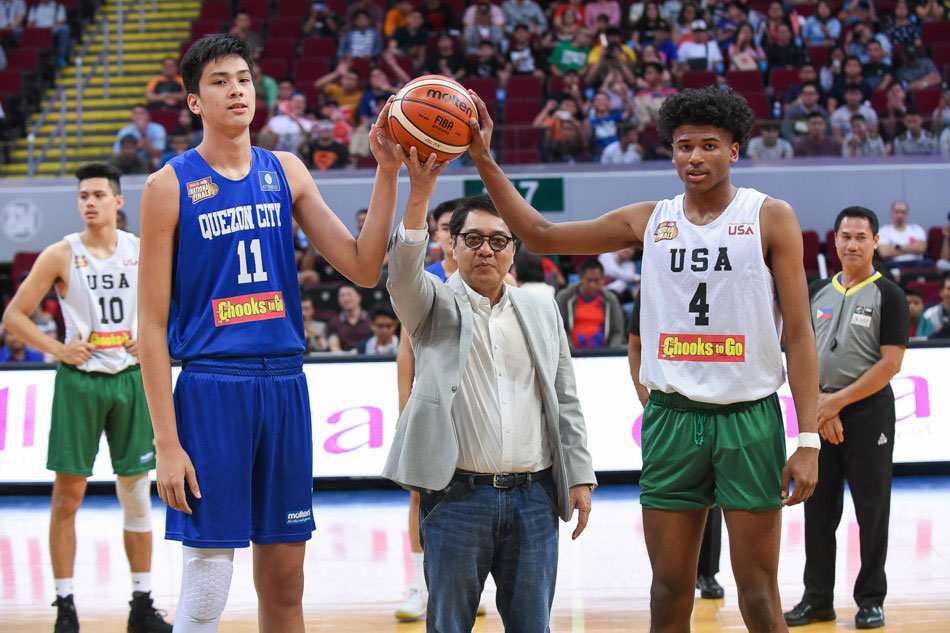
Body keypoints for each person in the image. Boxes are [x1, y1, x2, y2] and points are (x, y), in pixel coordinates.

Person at [466, 85, 820, 633]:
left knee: (757, 590)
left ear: (735, 149)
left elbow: (798, 336)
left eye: (708, 145)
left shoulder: (770, 218)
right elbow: (539, 235)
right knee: (668, 590)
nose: (694, 157)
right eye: (683, 146)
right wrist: (485, 159)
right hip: (671, 418)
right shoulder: (649, 219)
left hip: (750, 418)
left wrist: (809, 440)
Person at [136, 34, 400, 633]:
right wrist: (168, 444)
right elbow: (149, 327)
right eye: (219, 81)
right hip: (211, 387)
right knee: (207, 585)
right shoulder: (167, 186)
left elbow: (362, 266)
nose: (236, 90)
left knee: (285, 585)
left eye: (244, 79)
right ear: (194, 100)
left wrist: (386, 173)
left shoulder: (286, 170)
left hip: (284, 385)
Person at [384, 148, 596, 632]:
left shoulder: (543, 309)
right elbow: (401, 274)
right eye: (473, 239)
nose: (486, 250)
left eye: (499, 240)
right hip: (457, 497)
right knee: (449, 626)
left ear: (513, 250)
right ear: (451, 248)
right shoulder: (431, 306)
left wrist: (579, 474)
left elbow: (566, 400)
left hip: (536, 499)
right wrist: (419, 195)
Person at [2, 162, 172, 633]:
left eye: (98, 194)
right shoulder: (61, 253)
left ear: (119, 202)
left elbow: (177, 303)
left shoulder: (142, 251)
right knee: (67, 496)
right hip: (80, 381)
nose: (89, 203)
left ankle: (141, 603)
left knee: (137, 494)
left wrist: (157, 337)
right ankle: (65, 605)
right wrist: (58, 349)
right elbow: (15, 316)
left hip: (132, 376)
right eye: (83, 196)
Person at [785, 207, 909, 630]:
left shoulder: (888, 295)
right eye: (845, 237)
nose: (852, 244)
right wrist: (820, 404)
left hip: (868, 413)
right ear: (834, 241)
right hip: (819, 412)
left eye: (861, 237)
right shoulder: (818, 289)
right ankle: (817, 598)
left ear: (875, 241)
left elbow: (890, 364)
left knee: (872, 512)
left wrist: (835, 403)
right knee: (817, 511)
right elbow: (797, 352)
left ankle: (870, 600)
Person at [626, 292, 725, 601]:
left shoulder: (721, 280)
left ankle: (707, 574)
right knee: (666, 501)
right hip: (671, 409)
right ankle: (670, 577)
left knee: (714, 500)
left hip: (717, 404)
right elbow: (636, 345)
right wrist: (647, 398)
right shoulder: (653, 283)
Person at [555, 259, 625, 350]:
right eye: (589, 280)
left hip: (604, 356)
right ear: (580, 278)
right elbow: (559, 329)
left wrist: (610, 352)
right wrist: (570, 352)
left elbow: (618, 332)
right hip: (572, 354)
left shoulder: (610, 300)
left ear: (603, 280)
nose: (592, 285)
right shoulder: (565, 297)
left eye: (596, 280)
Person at [877, 200, 929, 267]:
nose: (900, 215)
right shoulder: (884, 230)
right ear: (892, 213)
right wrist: (913, 248)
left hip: (917, 263)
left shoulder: (916, 229)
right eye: (897, 212)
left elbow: (921, 248)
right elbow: (884, 252)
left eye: (903, 212)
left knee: (928, 263)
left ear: (907, 214)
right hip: (895, 263)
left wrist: (898, 247)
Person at [327, 284, 373, 352]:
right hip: (344, 359)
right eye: (342, 296)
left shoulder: (371, 318)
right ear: (338, 300)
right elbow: (334, 346)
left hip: (369, 357)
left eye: (349, 294)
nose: (346, 299)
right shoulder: (334, 321)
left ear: (359, 297)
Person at [26, 0, 69, 65]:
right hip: (38, 31)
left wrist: (48, 28)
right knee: (20, 32)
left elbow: (60, 22)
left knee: (65, 29)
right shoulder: (34, 7)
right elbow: (29, 24)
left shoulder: (58, 7)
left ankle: (61, 57)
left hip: (52, 30)